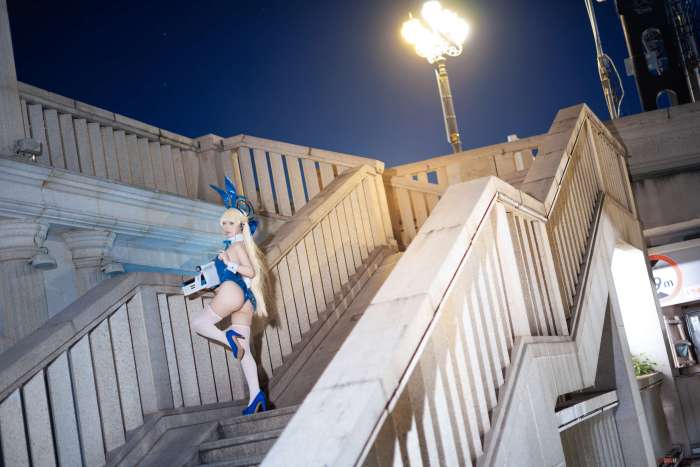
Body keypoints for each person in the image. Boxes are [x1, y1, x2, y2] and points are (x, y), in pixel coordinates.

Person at [189, 177, 268, 415]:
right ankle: (256, 396)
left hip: (234, 292)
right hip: (245, 301)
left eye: (230, 223)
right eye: (224, 223)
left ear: (241, 226)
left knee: (199, 323)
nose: (225, 227)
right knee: (245, 352)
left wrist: (227, 263)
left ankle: (227, 338)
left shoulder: (235, 247)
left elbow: (250, 272)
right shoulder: (236, 247)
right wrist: (208, 286)